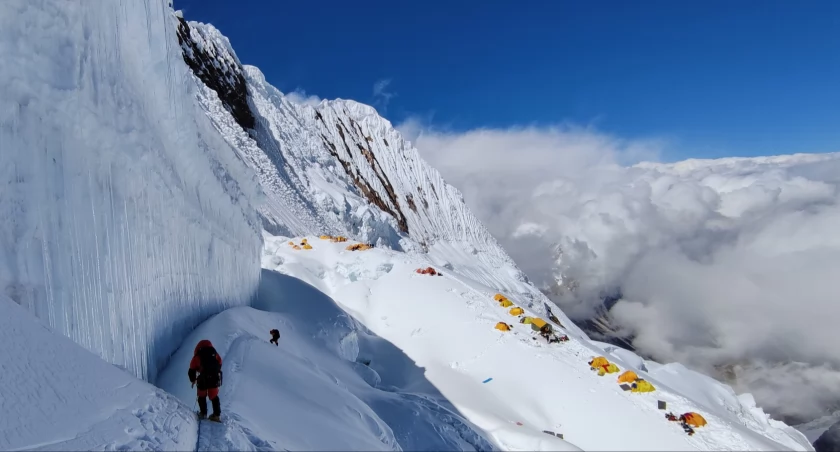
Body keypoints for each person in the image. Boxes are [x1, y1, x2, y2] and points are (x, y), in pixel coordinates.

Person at [189, 339, 223, 422]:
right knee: (214, 396)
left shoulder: (198, 355)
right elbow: (220, 362)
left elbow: (192, 369)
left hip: (203, 378)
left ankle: (203, 413)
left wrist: (193, 379)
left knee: (202, 395)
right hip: (214, 377)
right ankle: (216, 415)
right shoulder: (214, 353)